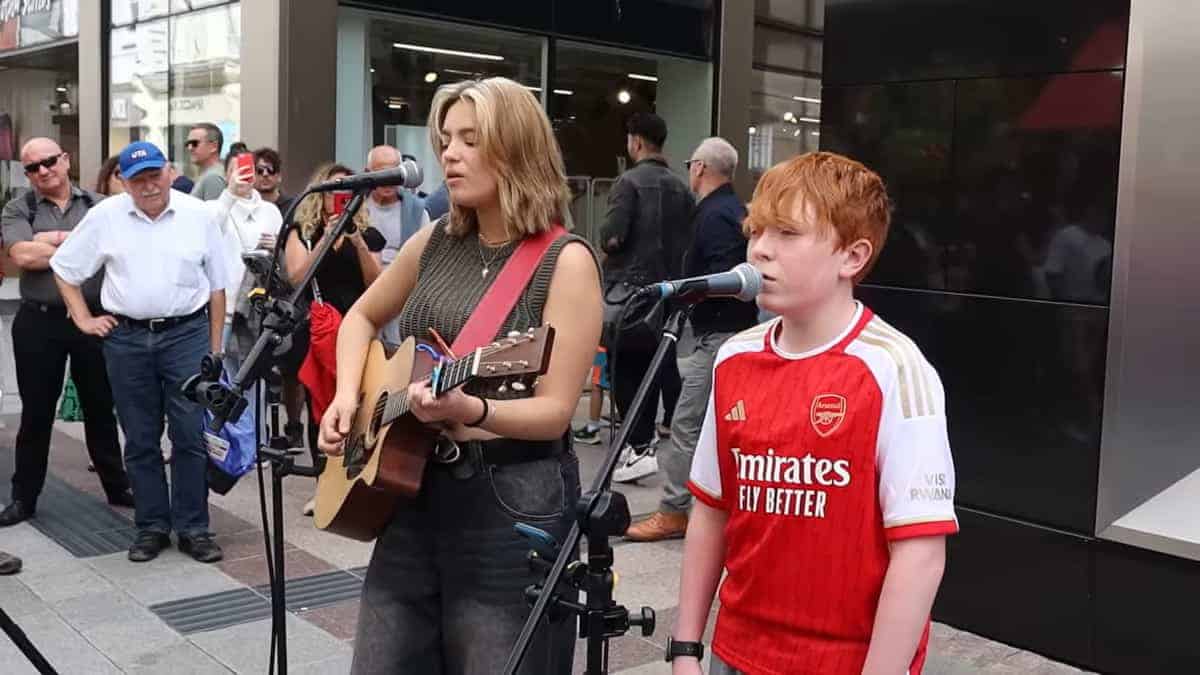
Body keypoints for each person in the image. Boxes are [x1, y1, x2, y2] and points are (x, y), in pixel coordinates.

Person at [318, 77, 601, 674]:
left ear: (518, 149)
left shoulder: (565, 261)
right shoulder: (439, 239)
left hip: (511, 503)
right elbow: (362, 316)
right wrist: (347, 395)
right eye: (446, 139)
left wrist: (474, 412)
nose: (449, 153)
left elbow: (554, 411)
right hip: (413, 493)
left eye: (470, 139)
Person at [669, 152, 958, 675]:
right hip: (734, 653)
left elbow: (920, 554)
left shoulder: (894, 369)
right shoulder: (734, 358)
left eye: (787, 233)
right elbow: (712, 511)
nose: (760, 250)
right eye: (756, 229)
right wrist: (686, 646)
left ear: (852, 255)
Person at [50, 141, 230, 564]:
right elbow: (64, 269)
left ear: (169, 171)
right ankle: (151, 526)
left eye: (154, 175)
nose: (148, 186)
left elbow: (219, 287)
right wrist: (82, 318)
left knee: (189, 435)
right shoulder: (106, 216)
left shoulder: (198, 216)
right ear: (124, 183)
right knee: (140, 436)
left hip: (186, 334)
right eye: (137, 180)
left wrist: (216, 350)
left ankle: (193, 527)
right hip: (126, 339)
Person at [625, 137, 757, 542]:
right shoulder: (729, 210)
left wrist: (687, 291)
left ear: (699, 167)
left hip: (719, 334)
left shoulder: (716, 216)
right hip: (725, 332)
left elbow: (725, 276)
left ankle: (673, 510)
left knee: (685, 423)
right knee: (719, 425)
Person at [0, 138, 134, 528]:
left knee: (100, 408)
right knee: (36, 413)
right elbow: (22, 256)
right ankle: (24, 497)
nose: (43, 171)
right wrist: (79, 243)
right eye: (32, 167)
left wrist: (48, 241)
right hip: (38, 322)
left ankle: (117, 486)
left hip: (94, 319)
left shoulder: (99, 204)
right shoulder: (18, 207)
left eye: (49, 162)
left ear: (65, 159)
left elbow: (113, 250)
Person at [601, 112, 693, 483]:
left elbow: (612, 236)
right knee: (654, 368)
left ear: (636, 141)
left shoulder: (629, 183)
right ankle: (644, 442)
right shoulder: (682, 188)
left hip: (631, 295)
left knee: (624, 370)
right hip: (669, 292)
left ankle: (639, 446)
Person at [285, 162, 381, 513]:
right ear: (321, 194)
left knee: (363, 402)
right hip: (320, 329)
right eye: (333, 190)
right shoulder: (303, 231)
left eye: (346, 191)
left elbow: (376, 282)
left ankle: (356, 481)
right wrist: (326, 238)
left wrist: (354, 238)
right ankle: (323, 485)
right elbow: (297, 276)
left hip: (358, 329)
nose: (339, 197)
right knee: (320, 407)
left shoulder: (367, 234)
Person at [215, 151, 282, 374]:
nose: (242, 176)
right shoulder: (215, 208)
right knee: (222, 380)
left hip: (257, 311)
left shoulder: (271, 211)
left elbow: (281, 264)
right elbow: (209, 233)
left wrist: (275, 248)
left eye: (247, 170)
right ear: (226, 175)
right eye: (236, 170)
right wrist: (230, 194)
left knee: (255, 380)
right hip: (222, 311)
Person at [364, 145, 430, 346]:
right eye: (382, 172)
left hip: (401, 303)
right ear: (368, 174)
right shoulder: (358, 210)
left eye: (394, 171)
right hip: (364, 302)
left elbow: (426, 261)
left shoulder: (417, 212)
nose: (389, 179)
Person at [252, 146, 295, 219]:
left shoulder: (293, 206)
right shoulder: (247, 207)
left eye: (270, 170)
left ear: (279, 176)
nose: (265, 174)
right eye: (260, 170)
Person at [187, 123, 227, 200]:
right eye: (188, 144)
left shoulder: (213, 177)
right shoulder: (209, 174)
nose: (190, 148)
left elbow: (214, 211)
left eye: (194, 143)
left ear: (213, 147)